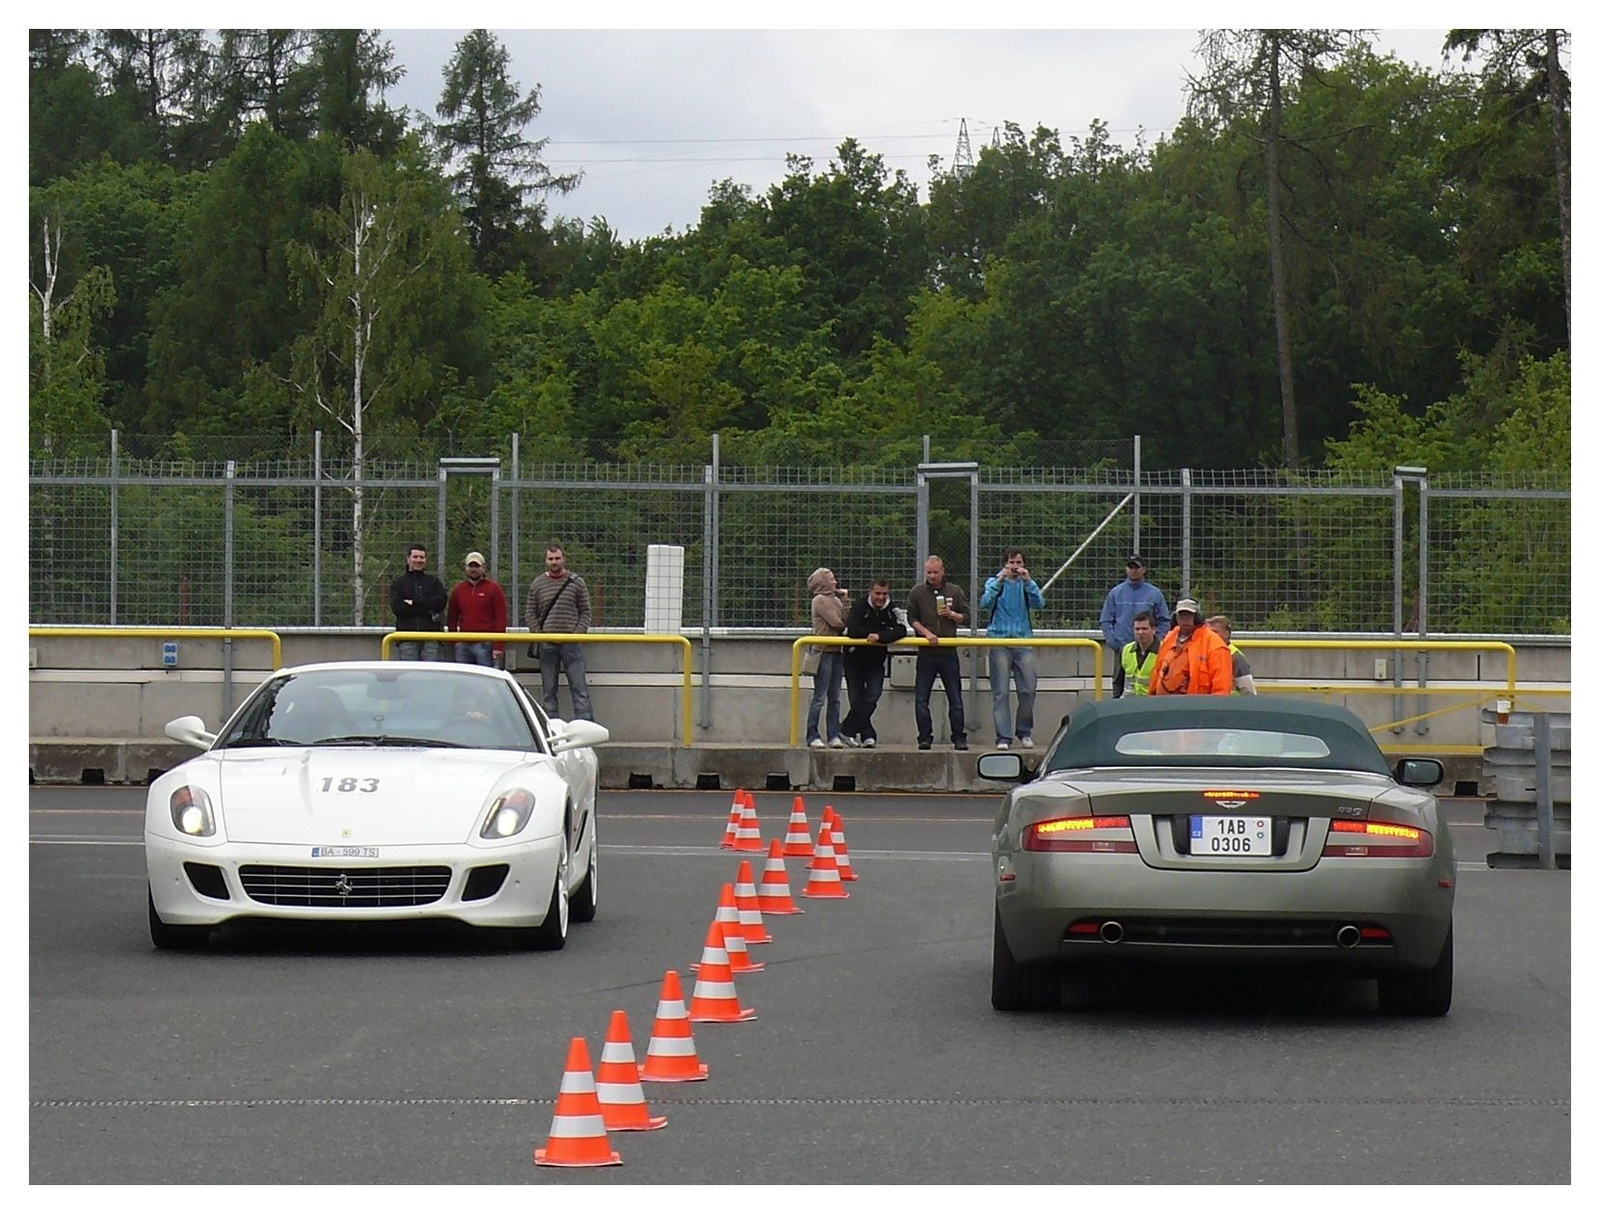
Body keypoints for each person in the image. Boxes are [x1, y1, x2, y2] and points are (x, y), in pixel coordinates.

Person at [980, 547, 1045, 749]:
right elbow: (984, 603)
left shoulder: (1027, 584)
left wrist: (1029, 582)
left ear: (1024, 565)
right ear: (1005, 564)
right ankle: (1003, 736)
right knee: (1001, 692)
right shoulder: (994, 582)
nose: (1015, 567)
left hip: (1023, 641)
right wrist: (1000, 580)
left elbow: (1039, 604)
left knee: (1028, 689)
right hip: (999, 640)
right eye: (1011, 563)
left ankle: (1024, 731)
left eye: (1019, 563)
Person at [524, 543, 595, 721]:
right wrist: (539, 635)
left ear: (564, 559)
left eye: (557, 558)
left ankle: (585, 725)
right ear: (545, 561)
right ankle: (551, 728)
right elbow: (530, 612)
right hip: (547, 644)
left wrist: (577, 633)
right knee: (548, 691)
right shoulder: (537, 584)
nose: (554, 562)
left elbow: (586, 611)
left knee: (579, 689)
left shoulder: (577, 583)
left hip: (571, 643)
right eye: (550, 559)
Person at [906, 555, 970, 751]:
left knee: (955, 698)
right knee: (921, 698)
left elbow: (966, 617)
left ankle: (959, 737)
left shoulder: (955, 591)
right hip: (926, 652)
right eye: (929, 572)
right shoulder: (917, 592)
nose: (932, 576)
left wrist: (952, 615)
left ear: (943, 571)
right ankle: (924, 737)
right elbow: (912, 618)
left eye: (935, 572)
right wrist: (926, 633)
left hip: (948, 651)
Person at [840, 578, 907, 748]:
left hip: (876, 662)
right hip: (854, 660)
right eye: (877, 593)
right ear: (870, 592)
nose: (881, 597)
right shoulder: (859, 606)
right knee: (857, 699)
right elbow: (853, 630)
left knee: (872, 696)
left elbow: (901, 629)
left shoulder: (892, 609)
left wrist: (880, 637)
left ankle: (847, 730)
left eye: (885, 594)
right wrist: (870, 635)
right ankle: (868, 734)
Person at [805, 567, 850, 748]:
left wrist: (845, 600)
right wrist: (844, 620)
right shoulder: (820, 601)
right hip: (823, 652)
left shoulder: (837, 601)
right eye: (831, 579)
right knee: (820, 696)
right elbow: (838, 623)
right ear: (823, 582)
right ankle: (812, 734)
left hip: (837, 651)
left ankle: (833, 735)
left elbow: (847, 618)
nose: (835, 582)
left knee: (835, 697)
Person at [1150, 598, 1233, 695]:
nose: (1184, 619)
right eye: (1181, 615)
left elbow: (1222, 690)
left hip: (1195, 707)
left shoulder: (1215, 646)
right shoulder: (1169, 638)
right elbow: (1157, 674)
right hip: (1164, 705)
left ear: (1198, 617)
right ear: (1175, 618)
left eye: (1189, 615)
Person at [1101, 555, 1171, 661]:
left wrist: (1156, 642)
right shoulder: (1115, 593)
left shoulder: (1155, 594)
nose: (1133, 571)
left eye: (1137, 567)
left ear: (1144, 569)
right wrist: (1114, 644)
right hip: (1122, 649)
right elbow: (1105, 621)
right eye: (1130, 567)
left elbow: (1164, 621)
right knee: (1122, 678)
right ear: (1126, 569)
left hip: (1149, 652)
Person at [446, 551, 508, 668]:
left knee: (486, 679)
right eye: (470, 566)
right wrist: (455, 641)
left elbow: (501, 618)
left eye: (477, 566)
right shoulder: (459, 589)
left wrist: (499, 646)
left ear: (483, 568)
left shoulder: (493, 589)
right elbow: (451, 617)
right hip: (463, 643)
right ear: (465, 568)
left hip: (486, 643)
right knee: (464, 678)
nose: (473, 569)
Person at [389, 544, 448, 661]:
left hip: (431, 638)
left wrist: (415, 601)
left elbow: (440, 604)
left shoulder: (434, 582)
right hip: (406, 638)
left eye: (422, 557)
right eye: (415, 557)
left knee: (430, 675)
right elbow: (398, 609)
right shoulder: (398, 583)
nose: (418, 560)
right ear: (408, 559)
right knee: (409, 675)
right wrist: (427, 608)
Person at [1113, 610, 1160, 698]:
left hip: (1153, 704)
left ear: (1154, 630)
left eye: (1144, 629)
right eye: (1137, 629)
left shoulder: (1163, 651)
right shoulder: (1126, 650)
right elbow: (1118, 682)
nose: (1140, 632)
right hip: (1128, 703)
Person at [1207, 615, 1257, 695]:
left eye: (1215, 632)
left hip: (1230, 705)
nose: (1210, 636)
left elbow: (1248, 691)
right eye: (1208, 633)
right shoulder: (1206, 653)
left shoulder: (1236, 657)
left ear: (1227, 634)